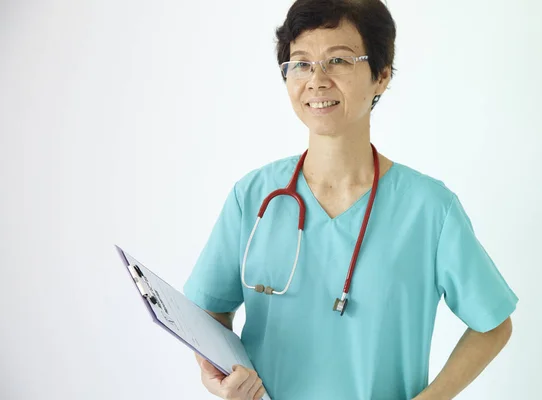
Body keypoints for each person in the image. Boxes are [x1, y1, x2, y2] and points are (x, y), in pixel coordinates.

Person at [183, 0, 519, 399]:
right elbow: (208, 311)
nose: (317, 80)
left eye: (338, 61)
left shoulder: (429, 209)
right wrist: (214, 370)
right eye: (302, 63)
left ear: (381, 76)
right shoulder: (253, 197)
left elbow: (494, 324)